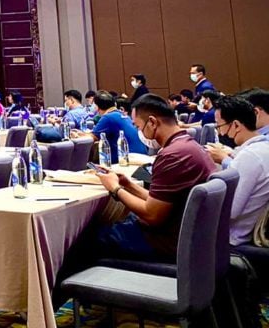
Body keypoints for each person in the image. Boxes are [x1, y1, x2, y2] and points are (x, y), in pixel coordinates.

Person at [97, 94, 215, 259]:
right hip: (188, 235)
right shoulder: (189, 146)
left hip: (165, 241)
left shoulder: (171, 155)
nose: (139, 132)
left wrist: (115, 189)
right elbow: (160, 200)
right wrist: (128, 185)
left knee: (90, 237)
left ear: (152, 122)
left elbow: (152, 215)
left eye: (138, 127)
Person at [206, 95, 269, 246]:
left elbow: (230, 211)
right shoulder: (262, 148)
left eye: (219, 126)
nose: (220, 133)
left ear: (235, 125)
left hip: (230, 238)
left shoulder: (249, 156)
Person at [71, 90, 146, 163]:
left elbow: (93, 137)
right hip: (141, 157)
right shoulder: (122, 114)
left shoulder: (108, 117)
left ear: (97, 107)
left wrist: (77, 135)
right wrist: (82, 133)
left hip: (126, 160)